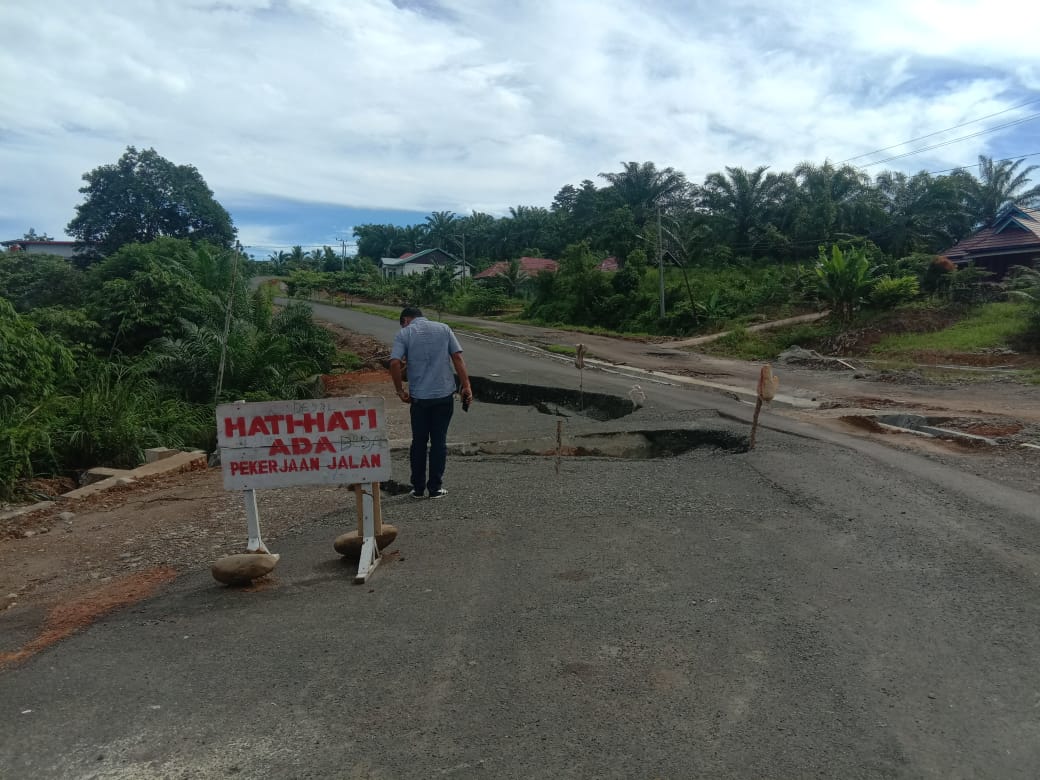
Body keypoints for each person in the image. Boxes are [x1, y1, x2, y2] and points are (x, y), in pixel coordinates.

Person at [389, 306, 473, 499]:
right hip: (444, 396)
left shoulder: (404, 333)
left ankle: (418, 489)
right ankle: (435, 488)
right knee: (439, 442)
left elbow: (394, 363)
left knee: (418, 442)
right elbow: (458, 357)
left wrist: (400, 391)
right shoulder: (444, 328)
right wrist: (466, 386)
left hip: (419, 399)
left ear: (406, 320)